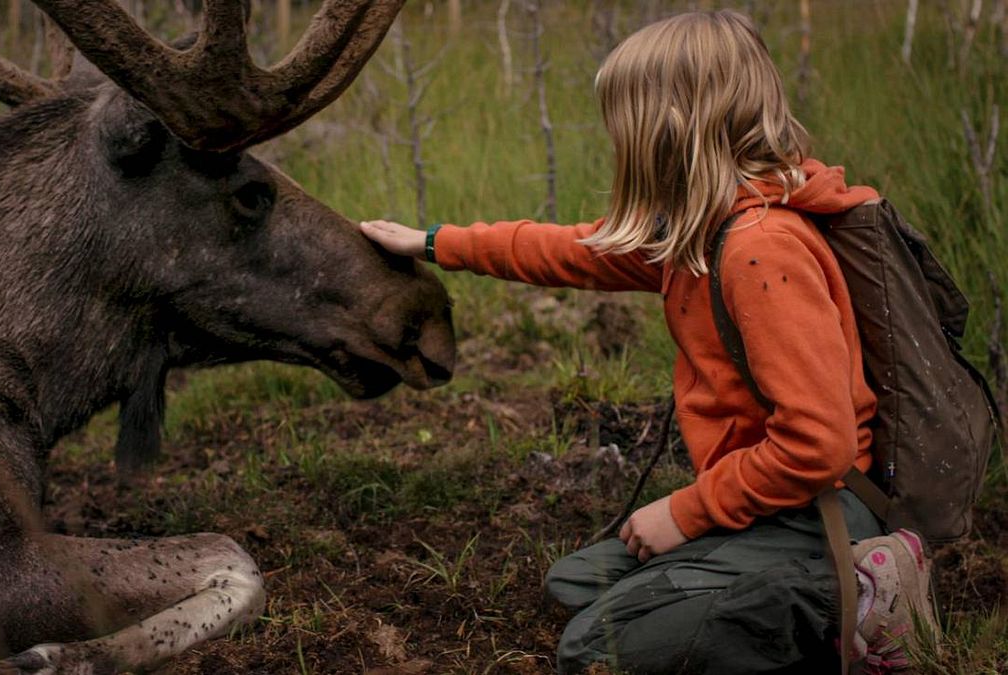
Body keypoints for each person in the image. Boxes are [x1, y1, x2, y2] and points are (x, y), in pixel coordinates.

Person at [359, 10, 939, 674]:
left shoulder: (759, 251)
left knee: (594, 647)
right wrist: (434, 243)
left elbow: (821, 444)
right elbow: (573, 250)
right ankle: (790, 590)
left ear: (670, 131)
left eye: (623, 125)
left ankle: (859, 599)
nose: (618, 143)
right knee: (573, 584)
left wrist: (687, 512)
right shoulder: (701, 234)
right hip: (771, 500)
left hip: (820, 512)